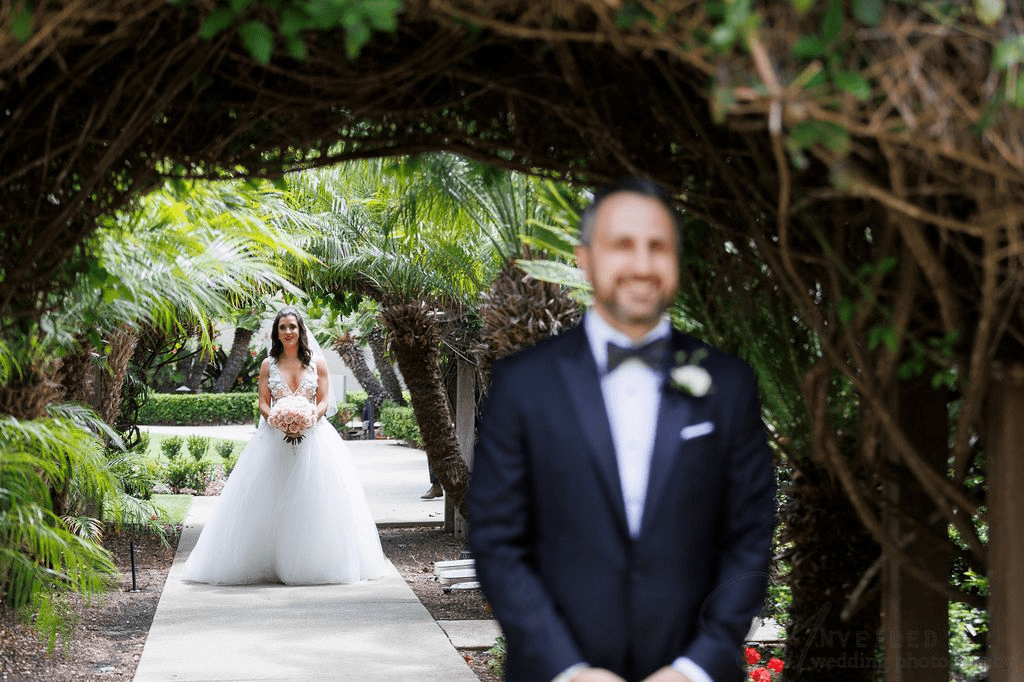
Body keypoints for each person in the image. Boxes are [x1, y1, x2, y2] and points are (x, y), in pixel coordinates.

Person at [467, 176, 776, 682]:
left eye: (658, 247)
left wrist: (696, 666)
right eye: (621, 245)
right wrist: (566, 669)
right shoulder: (523, 385)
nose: (641, 264)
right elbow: (496, 541)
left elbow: (750, 537)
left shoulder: (730, 384)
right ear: (584, 259)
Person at [183, 306, 387, 585]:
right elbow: (263, 402)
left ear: (301, 330)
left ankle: (312, 563)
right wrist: (276, 418)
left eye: (292, 327)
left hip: (315, 438)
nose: (288, 332)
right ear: (276, 333)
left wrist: (310, 416)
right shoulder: (268, 364)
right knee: (268, 499)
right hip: (273, 439)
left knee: (314, 499)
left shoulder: (317, 362)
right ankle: (266, 560)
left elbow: (324, 400)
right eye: (282, 327)